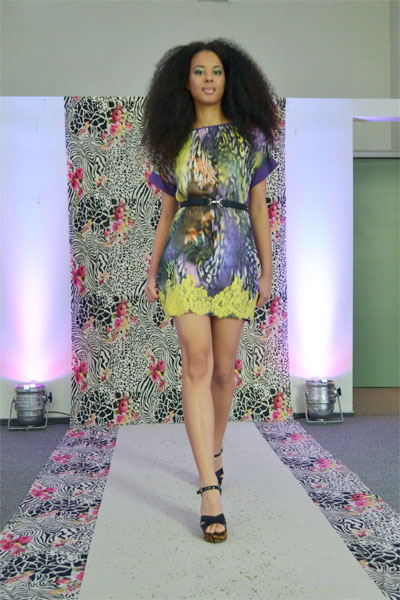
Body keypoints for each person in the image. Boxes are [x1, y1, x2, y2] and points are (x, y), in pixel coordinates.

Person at [141, 38, 279, 543]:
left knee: (223, 370)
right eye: (199, 71)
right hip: (186, 262)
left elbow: (259, 209)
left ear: (229, 79)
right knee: (196, 364)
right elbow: (167, 213)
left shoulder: (250, 139)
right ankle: (208, 489)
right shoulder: (173, 140)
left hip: (236, 261)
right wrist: (153, 268)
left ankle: (214, 452)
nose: (207, 79)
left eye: (216, 71)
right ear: (185, 80)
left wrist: (267, 271)